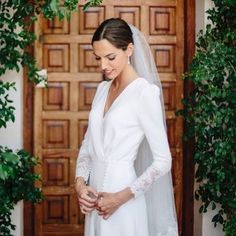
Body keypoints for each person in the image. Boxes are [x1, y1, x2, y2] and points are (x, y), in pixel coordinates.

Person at [75, 18, 178, 236]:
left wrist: (118, 198)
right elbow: (87, 146)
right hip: (96, 203)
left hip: (123, 201)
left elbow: (163, 161)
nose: (103, 66)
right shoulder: (102, 89)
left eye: (110, 57)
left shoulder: (144, 93)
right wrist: (81, 186)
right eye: (98, 58)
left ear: (129, 49)